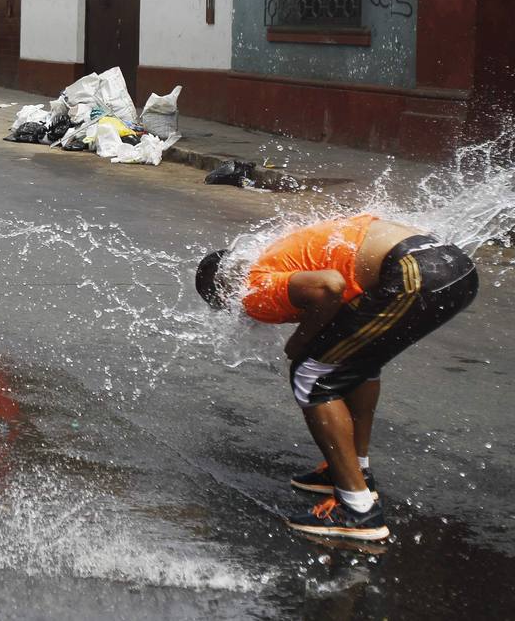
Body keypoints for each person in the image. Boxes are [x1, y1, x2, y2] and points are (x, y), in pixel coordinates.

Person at [196, 215, 479, 541]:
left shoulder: (251, 287)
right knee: (354, 362)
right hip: (452, 265)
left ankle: (358, 512)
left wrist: (299, 341)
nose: (242, 313)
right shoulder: (277, 254)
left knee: (311, 375)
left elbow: (330, 285)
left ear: (224, 291)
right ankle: (354, 472)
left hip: (417, 274)